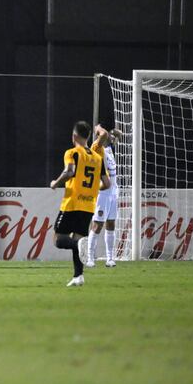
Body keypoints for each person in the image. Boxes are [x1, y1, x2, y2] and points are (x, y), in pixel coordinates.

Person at [50, 121, 110, 287]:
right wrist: (92, 189)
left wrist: (55, 183)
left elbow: (69, 171)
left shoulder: (72, 152)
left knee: (58, 240)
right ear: (88, 137)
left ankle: (78, 246)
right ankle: (78, 276)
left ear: (74, 136)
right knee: (79, 237)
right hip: (88, 205)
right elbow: (107, 183)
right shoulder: (98, 158)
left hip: (72, 203)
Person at [87, 125, 123, 268]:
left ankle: (109, 258)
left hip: (113, 191)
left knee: (111, 224)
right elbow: (103, 134)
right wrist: (98, 128)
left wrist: (115, 134)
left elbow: (113, 138)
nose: (109, 138)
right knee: (97, 224)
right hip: (102, 191)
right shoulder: (96, 148)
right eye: (108, 137)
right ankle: (90, 258)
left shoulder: (108, 150)